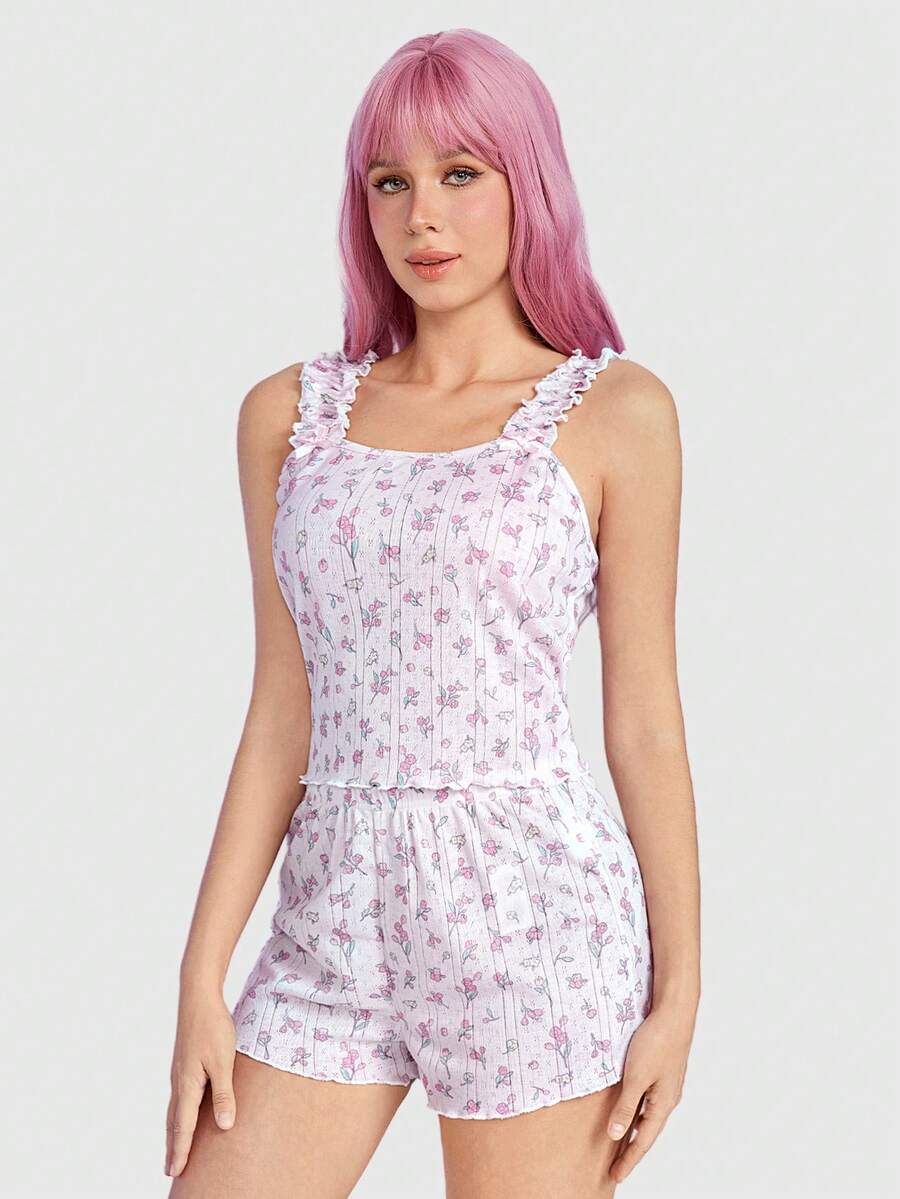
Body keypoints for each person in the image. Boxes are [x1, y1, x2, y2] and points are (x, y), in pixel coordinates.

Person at [166, 27, 700, 1199]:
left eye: (461, 172)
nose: (423, 217)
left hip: (536, 921)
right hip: (331, 920)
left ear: (527, 181)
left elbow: (646, 719)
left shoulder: (617, 413)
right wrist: (203, 973)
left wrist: (681, 992)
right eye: (390, 181)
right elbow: (281, 710)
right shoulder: (287, 416)